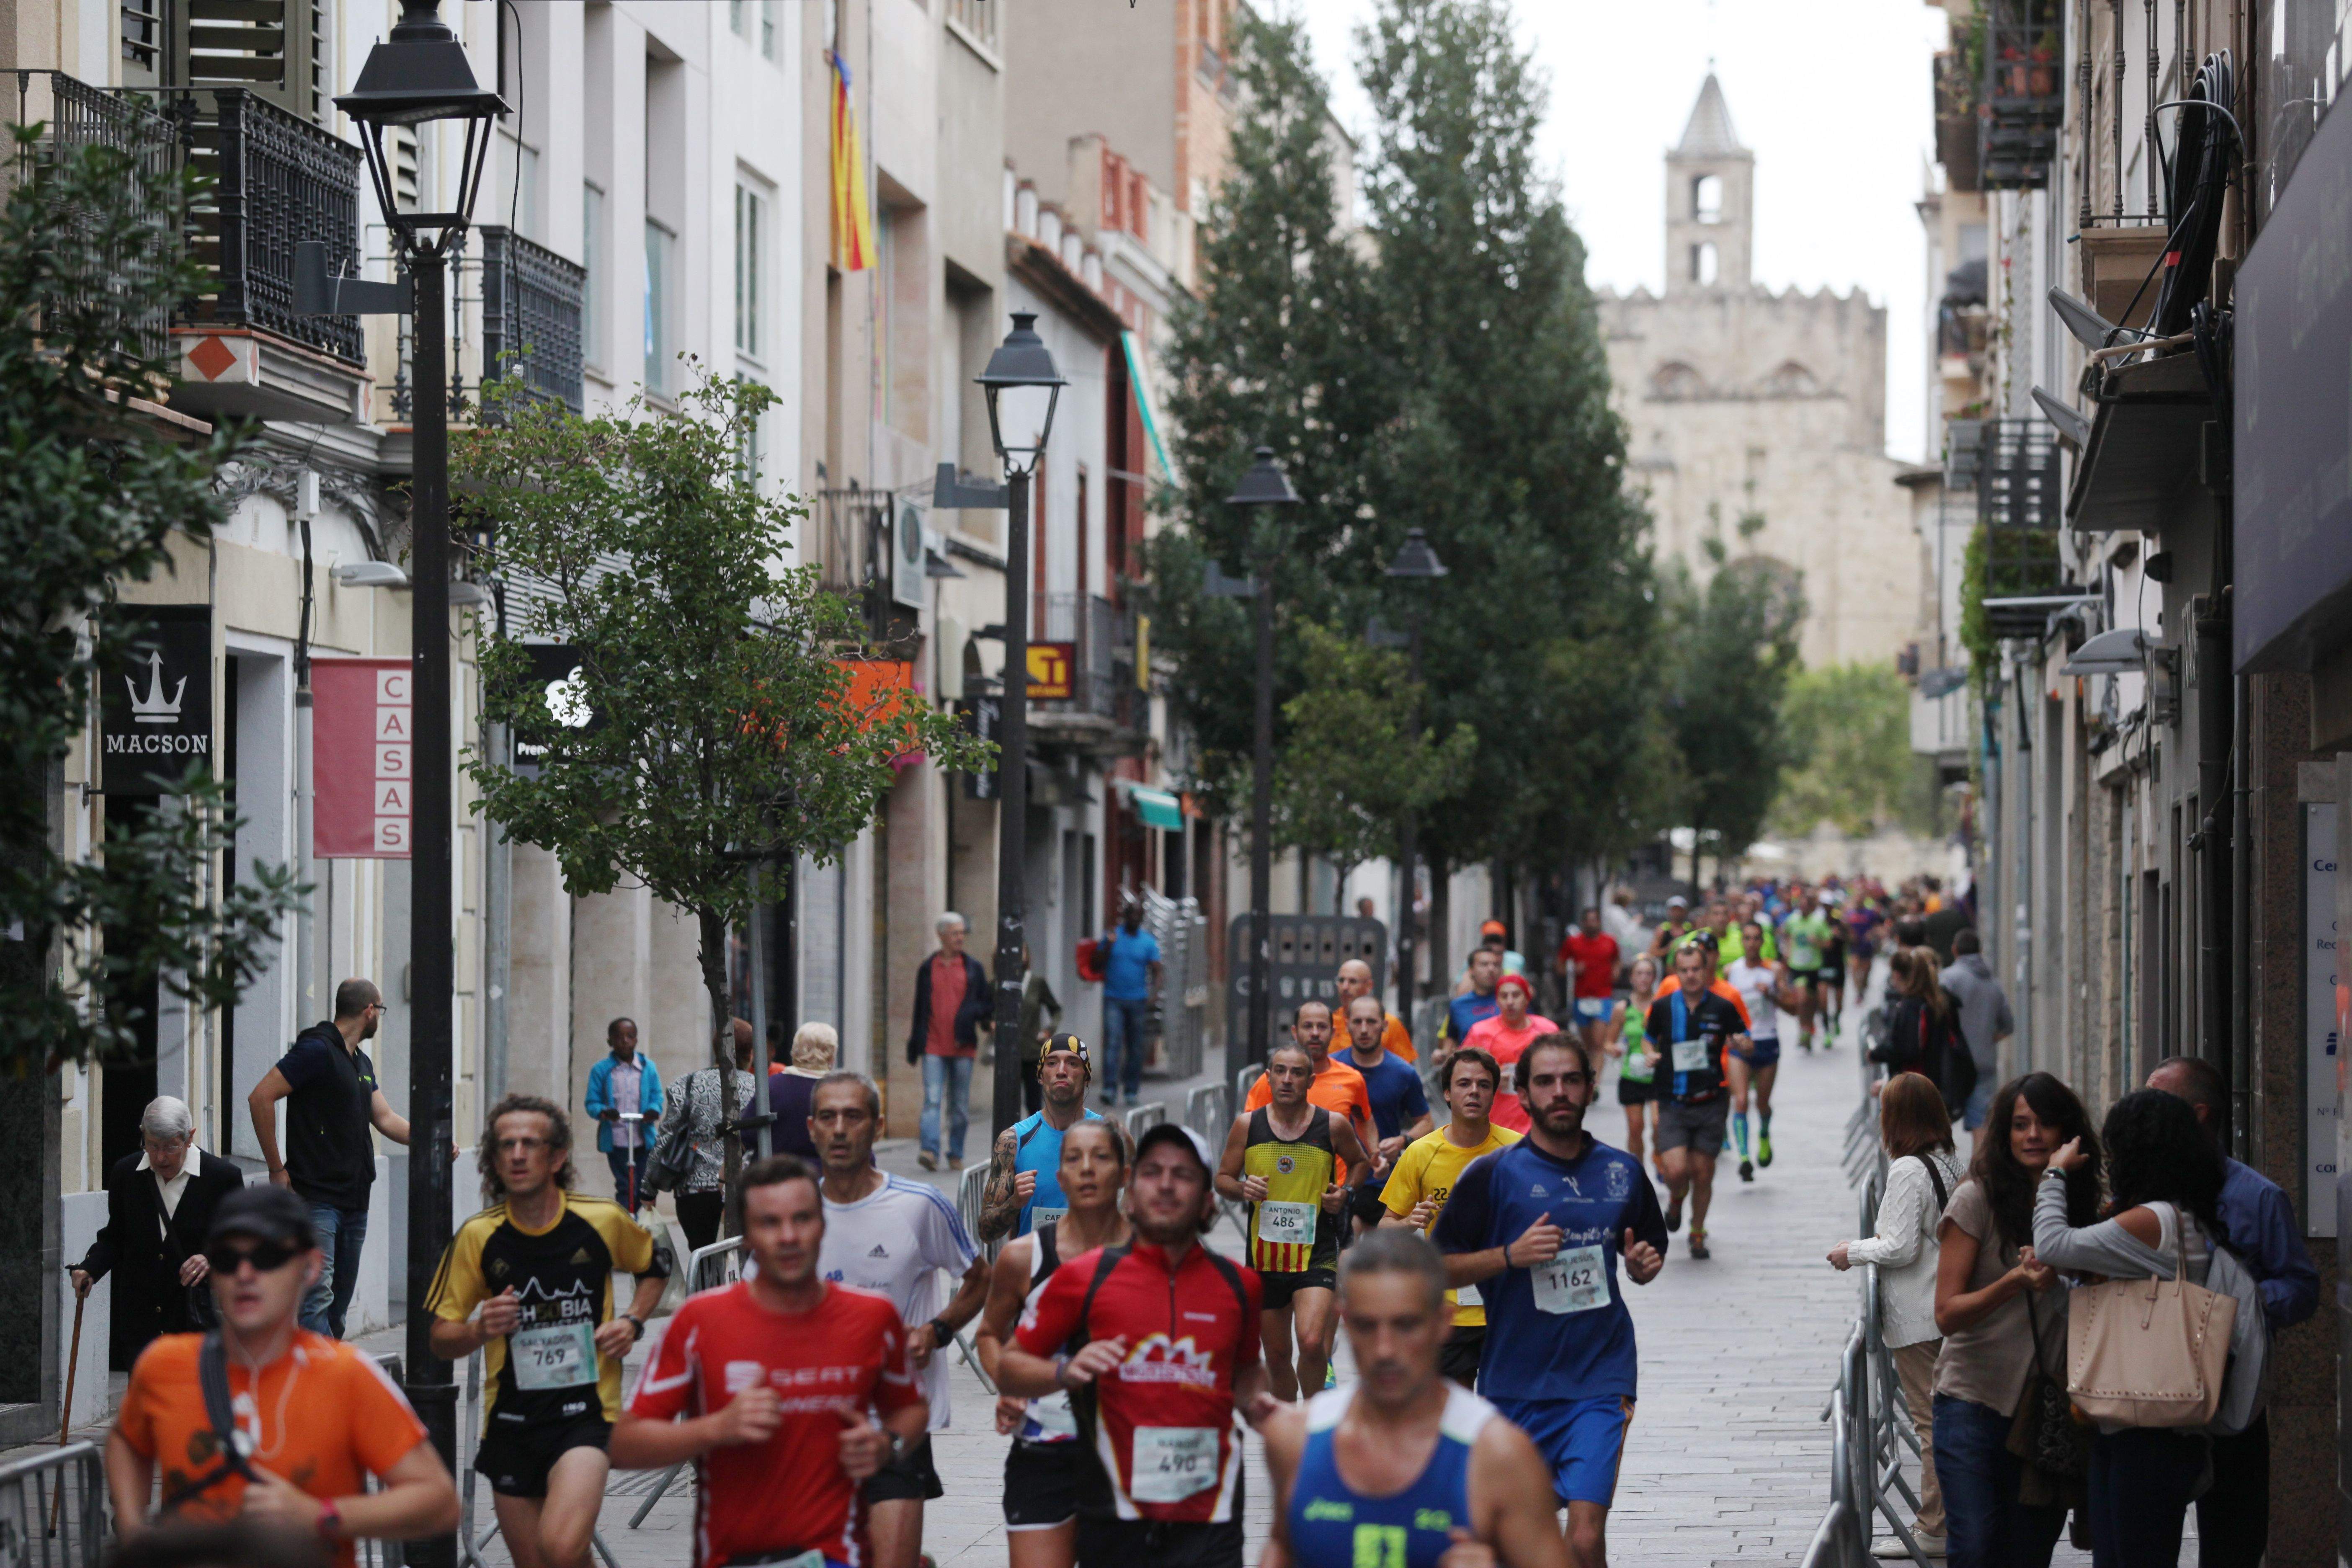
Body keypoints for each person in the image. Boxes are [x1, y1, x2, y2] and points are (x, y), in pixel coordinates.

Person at [105, 1186, 459, 1562]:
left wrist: (321, 1516)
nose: (244, 1274)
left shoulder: (347, 1375)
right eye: (226, 1259)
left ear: (310, 1267)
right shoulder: (165, 1364)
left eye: (267, 1256)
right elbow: (127, 1441)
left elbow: (438, 1502)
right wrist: (131, 1527)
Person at [611, 1154, 928, 1568]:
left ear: (823, 1225)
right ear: (745, 1238)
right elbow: (620, 1445)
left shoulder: (873, 1316)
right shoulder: (699, 1322)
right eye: (769, 1223)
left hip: (838, 1556)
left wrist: (886, 1445)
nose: (789, 1236)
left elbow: (911, 1409)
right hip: (734, 1557)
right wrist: (715, 1428)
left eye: (802, 1219)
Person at [1431, 1034, 1667, 1568]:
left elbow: (1648, 1251)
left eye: (1571, 1080)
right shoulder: (1493, 1175)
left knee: (1584, 1541)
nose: (1559, 1092)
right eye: (1545, 1082)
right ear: (1524, 1093)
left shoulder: (1622, 1172)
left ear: (1589, 1087)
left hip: (1599, 1378)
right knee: (1516, 1542)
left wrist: (1642, 1267)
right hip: (1514, 1384)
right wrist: (1509, 1256)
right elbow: (1435, 1267)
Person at [998, 1122, 1271, 1568]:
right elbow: (1011, 1365)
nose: (1165, 1184)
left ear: (1207, 1200)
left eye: (1183, 1174)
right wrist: (1063, 1372)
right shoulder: (1083, 1277)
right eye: (1152, 1172)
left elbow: (1245, 1374)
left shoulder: (1240, 1286)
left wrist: (1268, 1412)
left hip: (1211, 1514)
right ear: (1131, 1188)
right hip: (1114, 1516)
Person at [426, 1096, 670, 1568]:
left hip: (587, 1414)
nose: (518, 1154)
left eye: (530, 1144)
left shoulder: (600, 1220)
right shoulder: (479, 1236)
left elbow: (656, 1266)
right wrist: (480, 1328)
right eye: (506, 1145)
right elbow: (439, 1335)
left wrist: (633, 1321)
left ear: (556, 1157)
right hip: (512, 1420)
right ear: (494, 1161)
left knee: (559, 1547)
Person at [1257, 1230, 1571, 1568]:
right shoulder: (1294, 1440)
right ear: (1344, 1321)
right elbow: (1283, 1550)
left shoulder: (1500, 1457)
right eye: (1366, 1326)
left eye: (1406, 1325)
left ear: (1442, 1323)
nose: (1385, 1350)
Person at [2031, 1090, 2235, 1568]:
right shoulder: (2162, 1217)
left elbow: (2052, 1242)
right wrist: (2055, 1286)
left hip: (2151, 1433)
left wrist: (2054, 1174)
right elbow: (2102, 1311)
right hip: (2125, 1424)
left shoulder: (2155, 1220)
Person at [807, 1072, 989, 1568]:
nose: (840, 1129)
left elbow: (978, 1278)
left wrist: (937, 1331)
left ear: (879, 1127)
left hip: (897, 1421)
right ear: (811, 1128)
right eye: (828, 1117)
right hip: (815, 1427)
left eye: (854, 1116)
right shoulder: (791, 1214)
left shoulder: (918, 1206)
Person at [2145, 1055, 2319, 1568]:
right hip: (2150, 1395)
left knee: (2234, 1540)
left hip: (2230, 1396)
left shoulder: (2258, 1197)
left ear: (2198, 1114)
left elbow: (2303, 1286)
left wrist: (2235, 1311)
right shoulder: (2140, 1194)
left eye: (2158, 1101)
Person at [1930, 1073, 2098, 1568]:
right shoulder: (1975, 1199)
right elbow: (1946, 1314)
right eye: (2021, 1124)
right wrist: (2014, 1282)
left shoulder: (2080, 1205)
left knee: (2029, 1551)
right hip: (1972, 1402)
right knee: (1977, 1546)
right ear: (2004, 1133)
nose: (2033, 1136)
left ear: (2067, 1133)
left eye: (2045, 1124)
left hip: (2044, 1409)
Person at [974, 1118, 1132, 1568]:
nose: (1086, 1170)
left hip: (1129, 1451)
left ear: (1124, 1174)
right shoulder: (1023, 1257)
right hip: (1045, 1450)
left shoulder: (1155, 1257)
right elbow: (988, 1334)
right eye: (1073, 1160)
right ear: (1059, 1178)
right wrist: (1008, 1382)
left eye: (1100, 1157)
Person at [1827, 1074, 1961, 1559]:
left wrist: (1852, 1252)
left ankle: (1935, 1526)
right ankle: (1948, 1519)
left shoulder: (1908, 1169)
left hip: (1918, 1316)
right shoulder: (1948, 1161)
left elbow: (1900, 1247)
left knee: (1931, 1424)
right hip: (1943, 1307)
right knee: (1944, 1420)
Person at [247, 977, 422, 1339]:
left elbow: (385, 1118)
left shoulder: (360, 1061)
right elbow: (260, 1097)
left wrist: (432, 1142)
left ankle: (325, 1369)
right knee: (317, 1297)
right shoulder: (316, 1050)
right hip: (317, 1198)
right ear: (369, 1010)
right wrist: (277, 1169)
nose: (379, 1018)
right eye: (380, 1011)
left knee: (339, 1301)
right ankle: (319, 1382)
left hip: (355, 1199)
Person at [1218, 1042, 1372, 1400]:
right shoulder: (1248, 1125)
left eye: (1297, 1073)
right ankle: (1289, 1428)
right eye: (1281, 1071)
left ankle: (1315, 1419)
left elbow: (1361, 1162)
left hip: (1316, 1251)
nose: (1288, 1080)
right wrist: (1242, 1189)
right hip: (1265, 1257)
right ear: (1268, 1078)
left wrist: (1346, 1193)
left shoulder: (1332, 1125)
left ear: (1310, 1080)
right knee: (1276, 1357)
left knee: (1312, 1341)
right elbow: (1221, 1179)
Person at [1376, 1047, 1518, 1388]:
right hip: (1447, 1310)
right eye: (1464, 1084)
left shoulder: (1517, 1151)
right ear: (1446, 1093)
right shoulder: (1421, 1153)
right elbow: (1385, 1226)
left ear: (1494, 1094)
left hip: (1505, 1309)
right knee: (1453, 1418)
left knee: (1503, 1415)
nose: (1474, 1092)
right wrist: (1410, 1223)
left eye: (1483, 1085)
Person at [74, 1096, 245, 1370]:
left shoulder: (221, 1178)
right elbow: (116, 1236)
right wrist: (89, 1269)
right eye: (152, 1145)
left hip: (194, 1319)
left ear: (190, 1138)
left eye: (170, 1147)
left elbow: (242, 1243)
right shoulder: (126, 1173)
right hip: (141, 1318)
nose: (160, 1157)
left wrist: (210, 1258)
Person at [1641, 944, 1748, 1259]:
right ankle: (1676, 1200)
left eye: (1695, 969)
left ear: (1706, 970)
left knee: (1703, 1171)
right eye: (1684, 970)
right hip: (1672, 1100)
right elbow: (1648, 1039)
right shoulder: (1662, 1007)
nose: (1690, 975)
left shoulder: (1723, 1006)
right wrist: (1650, 1055)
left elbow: (1745, 1038)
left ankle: (1697, 1231)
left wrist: (1743, 1043)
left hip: (1710, 1102)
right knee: (1675, 1171)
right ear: (1676, 972)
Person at [978, 1033, 1110, 1242]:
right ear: (1040, 1076)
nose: (1061, 1071)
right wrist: (1015, 1202)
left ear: (1087, 1078)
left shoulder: (1109, 1136)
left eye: (1073, 1063)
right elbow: (986, 1231)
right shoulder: (1014, 1140)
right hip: (1034, 1269)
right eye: (1052, 1063)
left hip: (1091, 1269)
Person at [651, 1021, 760, 1252]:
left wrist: (649, 1188)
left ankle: (703, 1287)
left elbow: (665, 1137)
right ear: (751, 1053)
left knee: (701, 1258)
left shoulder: (686, 1085)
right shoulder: (762, 1090)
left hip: (694, 1192)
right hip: (743, 1189)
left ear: (716, 1049)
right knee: (740, 1260)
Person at [1334, 994, 1434, 1236]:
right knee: (1347, 1249)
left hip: (1384, 1183)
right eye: (1357, 1022)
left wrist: (1402, 1141)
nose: (1364, 1029)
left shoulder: (1403, 1073)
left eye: (1371, 1021)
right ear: (1347, 1025)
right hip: (1339, 1179)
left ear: (1385, 1025)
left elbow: (1427, 1123)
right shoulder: (1333, 1069)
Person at [906, 911, 992, 1170]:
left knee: (960, 1105)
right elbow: (919, 1008)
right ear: (941, 935)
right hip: (932, 1045)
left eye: (962, 933)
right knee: (932, 1099)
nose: (960, 938)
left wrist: (979, 1017)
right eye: (955, 933)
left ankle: (956, 1152)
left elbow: (985, 1004)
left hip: (963, 1045)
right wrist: (915, 1042)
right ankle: (930, 1151)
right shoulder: (927, 967)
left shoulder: (973, 968)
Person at [1242, 1001, 1375, 1166]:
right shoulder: (1270, 1082)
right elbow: (1249, 1132)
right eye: (1307, 1026)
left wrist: (1375, 1154)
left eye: (1322, 1027)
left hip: (1335, 1188)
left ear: (1333, 1033)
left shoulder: (1352, 1079)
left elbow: (1365, 1118)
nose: (1315, 1033)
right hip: (1282, 1183)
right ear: (1295, 1032)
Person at [1722, 920, 1795, 1184]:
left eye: (1756, 938)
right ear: (1742, 941)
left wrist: (1773, 995)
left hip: (1767, 1042)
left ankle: (1764, 1134)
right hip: (1741, 1044)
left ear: (1763, 942)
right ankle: (1744, 1159)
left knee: (1762, 1103)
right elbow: (1724, 1007)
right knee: (1741, 1101)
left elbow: (1793, 1007)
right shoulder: (1732, 971)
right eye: (1747, 938)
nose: (1752, 943)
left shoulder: (1773, 971)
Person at [1872, 949, 1973, 1119]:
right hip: (1936, 1086)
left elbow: (1909, 1049)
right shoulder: (1940, 1003)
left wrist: (1879, 1054)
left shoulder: (1913, 1007)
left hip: (1917, 1087)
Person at [1460, 972, 1558, 1133]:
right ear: (1497, 1001)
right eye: (1504, 996)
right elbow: (1461, 1072)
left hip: (1539, 1123)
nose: (1510, 1002)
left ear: (1527, 998)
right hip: (1495, 1124)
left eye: (1516, 995)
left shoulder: (1548, 1031)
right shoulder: (1481, 1032)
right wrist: (1490, 1079)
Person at [583, 1017, 663, 1213]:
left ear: (637, 1040)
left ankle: (645, 1225)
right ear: (610, 1041)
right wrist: (604, 1112)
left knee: (645, 1186)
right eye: (619, 1037)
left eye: (630, 1036)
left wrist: (653, 1110)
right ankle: (625, 1222)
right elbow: (591, 1103)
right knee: (626, 1185)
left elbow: (657, 1096)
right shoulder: (601, 1070)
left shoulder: (648, 1068)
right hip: (618, 1140)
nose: (625, 1041)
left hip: (643, 1140)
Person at [1939, 931, 2013, 1133]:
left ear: (1955, 950)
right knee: (1981, 1126)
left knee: (1941, 1122)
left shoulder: (1947, 979)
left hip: (1952, 1062)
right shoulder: (1994, 984)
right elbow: (2008, 1025)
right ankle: (1978, 1165)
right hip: (1984, 1060)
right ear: (1980, 951)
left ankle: (1944, 1165)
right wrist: (1987, 1039)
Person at [1097, 900, 1164, 1109]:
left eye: (1138, 916)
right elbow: (1097, 963)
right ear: (1125, 917)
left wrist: (1154, 994)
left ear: (1142, 919)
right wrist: (1107, 945)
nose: (1134, 919)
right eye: (1131, 915)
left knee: (1135, 1047)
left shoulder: (1148, 942)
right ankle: (1109, 1088)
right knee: (1113, 1044)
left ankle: (1131, 1090)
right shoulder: (1113, 937)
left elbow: (1157, 969)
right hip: (1114, 998)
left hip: (1137, 1000)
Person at [1602, 955, 1661, 1174]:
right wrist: (1614, 1049)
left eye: (1648, 974)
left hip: (1657, 1074)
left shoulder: (1661, 1005)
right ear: (1632, 978)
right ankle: (1640, 1173)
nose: (1644, 979)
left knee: (1659, 1125)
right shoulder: (1622, 1008)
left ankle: (1658, 1154)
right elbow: (1608, 1042)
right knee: (1636, 1128)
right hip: (1632, 1075)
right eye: (1639, 974)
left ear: (1654, 978)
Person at [764, 1021, 836, 1162]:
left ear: (795, 1051)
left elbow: (746, 1135)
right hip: (828, 1176)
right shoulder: (841, 1091)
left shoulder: (773, 1086)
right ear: (831, 1056)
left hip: (778, 1175)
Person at [1558, 908, 1620, 1055]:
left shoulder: (1610, 942)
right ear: (1583, 923)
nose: (1592, 924)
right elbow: (1559, 966)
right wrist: (1572, 970)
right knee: (1588, 1044)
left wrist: (1616, 971)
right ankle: (1589, 1072)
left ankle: (1596, 1077)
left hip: (1603, 997)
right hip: (1582, 998)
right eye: (1589, 921)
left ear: (1599, 922)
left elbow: (1617, 960)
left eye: (1595, 920)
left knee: (1599, 1043)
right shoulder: (1573, 942)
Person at [1777, 889, 1832, 1054]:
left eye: (1807, 906)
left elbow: (1829, 943)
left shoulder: (1818, 922)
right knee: (1801, 1000)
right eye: (1801, 905)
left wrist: (1818, 942)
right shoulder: (1792, 920)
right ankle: (1804, 1029)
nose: (1803, 908)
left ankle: (1813, 1026)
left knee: (1816, 1002)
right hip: (1797, 967)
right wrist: (1787, 951)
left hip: (1815, 967)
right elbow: (1784, 934)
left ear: (1812, 907)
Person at [1334, 958, 1416, 1064]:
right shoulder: (1328, 1023)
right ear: (1347, 1025)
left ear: (1369, 986)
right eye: (1341, 981)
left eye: (1353, 981)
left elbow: (1405, 1071)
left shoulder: (1391, 1024)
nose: (1345, 987)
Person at [1019, 945, 1065, 1115]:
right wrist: (990, 1024)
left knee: (1033, 1102)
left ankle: (1034, 1139)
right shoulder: (998, 983)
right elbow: (987, 1010)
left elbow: (1056, 1010)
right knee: (1008, 1104)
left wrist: (1048, 1031)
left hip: (1032, 1049)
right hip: (1008, 1053)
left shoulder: (1037, 983)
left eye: (1022, 952)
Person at [1443, 948, 1503, 1049]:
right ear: (1471, 970)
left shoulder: (1511, 1001)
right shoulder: (1458, 1005)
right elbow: (1451, 1043)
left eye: (1496, 965)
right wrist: (1441, 1056)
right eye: (1484, 964)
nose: (1491, 969)